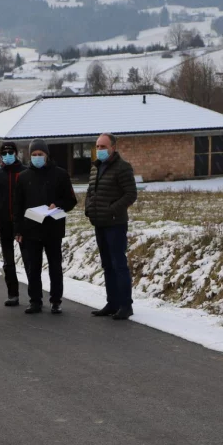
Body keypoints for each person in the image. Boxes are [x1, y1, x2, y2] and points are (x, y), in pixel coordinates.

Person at [13, 139, 77, 315]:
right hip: (31, 229)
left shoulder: (60, 174)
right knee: (33, 267)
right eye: (34, 155)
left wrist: (57, 205)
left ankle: (56, 301)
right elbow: (17, 205)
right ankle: (35, 301)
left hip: (53, 228)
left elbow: (71, 200)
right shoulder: (24, 177)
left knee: (55, 266)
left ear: (47, 155)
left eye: (40, 154)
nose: (37, 158)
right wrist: (17, 229)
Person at [85, 133, 138, 320]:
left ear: (113, 147)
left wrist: (111, 210)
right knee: (107, 265)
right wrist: (88, 209)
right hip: (99, 222)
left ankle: (125, 305)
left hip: (115, 223)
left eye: (103, 147)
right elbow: (91, 191)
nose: (99, 150)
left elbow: (130, 194)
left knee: (118, 264)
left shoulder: (122, 168)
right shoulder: (95, 168)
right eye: (97, 147)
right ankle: (112, 303)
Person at [0, 141, 25, 306]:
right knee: (8, 261)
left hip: (23, 223)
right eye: (4, 153)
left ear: (16, 153)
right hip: (4, 222)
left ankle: (34, 295)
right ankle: (12, 293)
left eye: (11, 153)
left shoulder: (25, 172)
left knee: (29, 259)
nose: (8, 156)